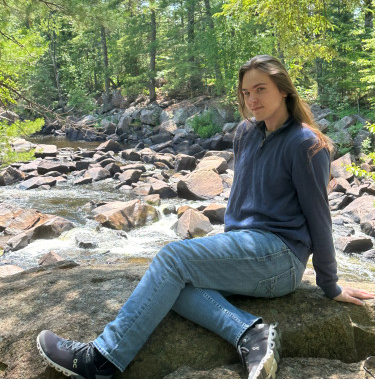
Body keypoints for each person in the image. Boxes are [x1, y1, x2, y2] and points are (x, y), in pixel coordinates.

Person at [36, 54, 374, 379]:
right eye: (245, 92)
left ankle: (103, 358)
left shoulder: (306, 144)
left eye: (261, 90)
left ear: (284, 90)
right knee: (168, 283)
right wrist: (223, 246)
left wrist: (329, 284)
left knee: (171, 258)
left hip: (280, 257)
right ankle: (249, 332)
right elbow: (241, 198)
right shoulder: (246, 133)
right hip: (245, 247)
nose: (252, 99)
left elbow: (319, 216)